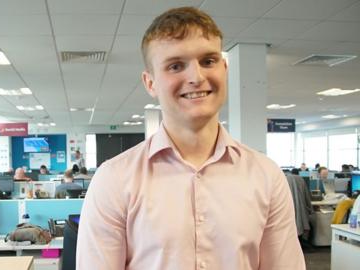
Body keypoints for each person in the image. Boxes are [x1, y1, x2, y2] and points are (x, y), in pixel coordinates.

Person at [77, 7, 305, 270]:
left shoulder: (266, 175)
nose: (196, 77)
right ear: (150, 83)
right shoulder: (114, 179)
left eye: (208, 61)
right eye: (175, 66)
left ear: (224, 69)